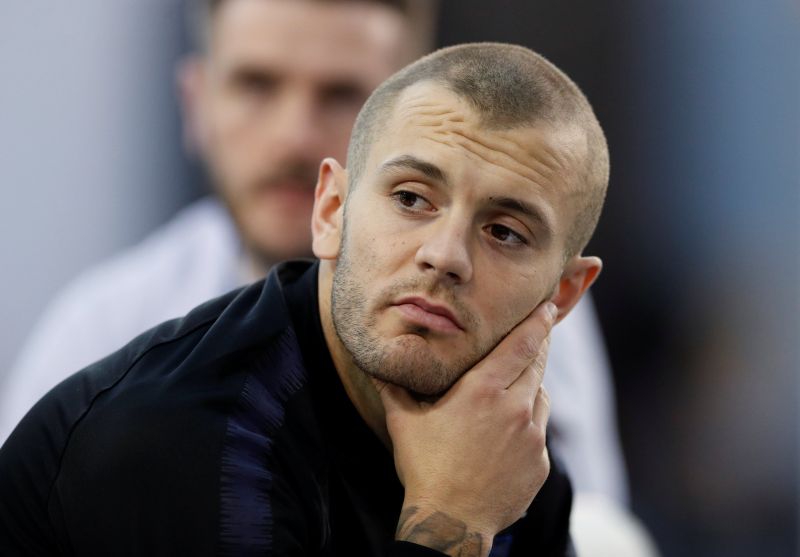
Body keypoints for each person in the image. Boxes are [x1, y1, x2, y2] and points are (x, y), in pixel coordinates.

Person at [0, 0, 626, 506]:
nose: (293, 136)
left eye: (341, 94)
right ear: (196, 104)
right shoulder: (104, 329)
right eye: (257, 84)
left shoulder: (511, 328)